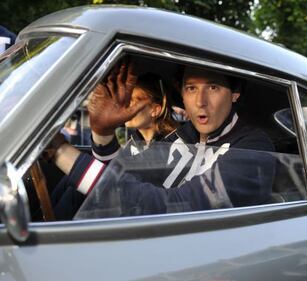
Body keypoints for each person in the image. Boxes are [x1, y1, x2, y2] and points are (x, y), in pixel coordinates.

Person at [49, 64, 275, 219]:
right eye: (191, 88)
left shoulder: (253, 149)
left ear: (235, 94)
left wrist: (59, 150)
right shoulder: (183, 136)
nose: (200, 102)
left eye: (213, 87)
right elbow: (125, 178)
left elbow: (173, 208)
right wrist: (102, 133)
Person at [50, 62, 178, 218]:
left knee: (78, 191)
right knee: (71, 183)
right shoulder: (134, 141)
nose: (126, 106)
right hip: (120, 200)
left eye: (134, 101)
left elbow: (122, 181)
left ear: (155, 110)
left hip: (138, 210)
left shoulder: (171, 146)